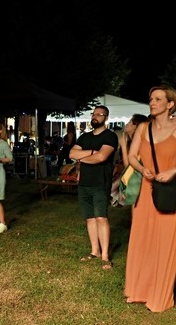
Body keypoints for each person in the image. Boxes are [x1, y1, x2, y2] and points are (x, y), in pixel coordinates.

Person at [124, 85, 176, 312]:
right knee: (142, 238)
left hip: (171, 189)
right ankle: (138, 290)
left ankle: (159, 295)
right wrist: (142, 169)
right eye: (151, 99)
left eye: (158, 99)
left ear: (170, 104)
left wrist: (175, 170)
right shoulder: (143, 128)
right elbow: (132, 156)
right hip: (147, 188)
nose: (152, 102)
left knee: (166, 241)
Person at [69, 106, 118, 269]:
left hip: (100, 183)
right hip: (84, 183)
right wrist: (91, 152)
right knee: (89, 218)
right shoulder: (85, 137)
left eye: (99, 114)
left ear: (106, 117)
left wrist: (82, 157)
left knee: (101, 218)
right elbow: (71, 154)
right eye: (93, 114)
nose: (95, 117)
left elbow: (102, 157)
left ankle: (105, 256)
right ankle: (94, 251)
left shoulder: (110, 136)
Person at [111, 114, 150, 206]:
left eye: (130, 122)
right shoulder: (129, 140)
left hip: (136, 178)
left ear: (136, 126)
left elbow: (129, 166)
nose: (127, 124)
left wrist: (123, 146)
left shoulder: (139, 143)